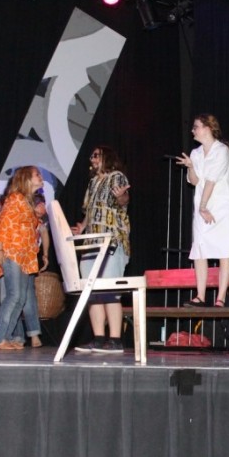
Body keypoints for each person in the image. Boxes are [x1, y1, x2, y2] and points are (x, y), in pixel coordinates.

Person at [175, 114, 229, 308]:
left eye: (196, 127)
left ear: (208, 128)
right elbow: (195, 181)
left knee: (224, 250)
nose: (193, 130)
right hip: (202, 207)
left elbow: (211, 181)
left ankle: (220, 298)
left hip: (221, 207)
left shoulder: (222, 151)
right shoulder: (195, 153)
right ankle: (201, 296)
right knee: (200, 249)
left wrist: (204, 206)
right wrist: (190, 166)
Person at [71, 146, 130, 354]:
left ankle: (115, 340)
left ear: (107, 157)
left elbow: (123, 201)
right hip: (91, 243)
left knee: (110, 291)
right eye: (91, 156)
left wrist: (122, 196)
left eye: (96, 155)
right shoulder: (93, 182)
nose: (92, 159)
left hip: (111, 241)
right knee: (92, 292)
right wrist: (82, 227)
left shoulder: (116, 176)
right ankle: (98, 338)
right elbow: (90, 211)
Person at [0, 166, 44, 350]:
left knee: (20, 299)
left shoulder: (27, 201)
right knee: (13, 296)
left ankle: (6, 336)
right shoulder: (15, 198)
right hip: (12, 251)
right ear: (26, 179)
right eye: (37, 175)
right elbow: (3, 225)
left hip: (25, 256)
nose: (41, 177)